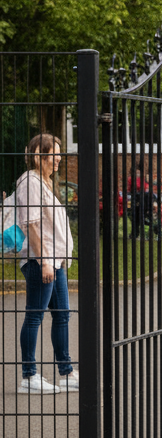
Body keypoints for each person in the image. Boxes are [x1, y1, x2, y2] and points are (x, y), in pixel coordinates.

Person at [14, 134, 77, 395]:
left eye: (60, 153)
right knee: (35, 316)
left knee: (61, 316)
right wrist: (44, 262)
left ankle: (67, 373)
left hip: (55, 261)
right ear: (39, 155)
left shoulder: (47, 182)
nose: (59, 158)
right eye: (54, 153)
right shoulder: (29, 181)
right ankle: (29, 376)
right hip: (42, 261)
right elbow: (31, 225)